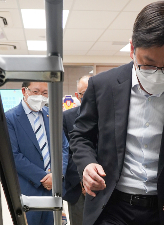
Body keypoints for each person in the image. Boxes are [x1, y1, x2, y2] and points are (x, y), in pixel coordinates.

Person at [70, 1, 164, 225]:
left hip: (163, 211)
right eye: (148, 64)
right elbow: (81, 135)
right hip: (110, 207)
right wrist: (87, 165)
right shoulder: (102, 85)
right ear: (132, 49)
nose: (157, 74)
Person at [5, 82, 69, 225]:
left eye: (45, 93)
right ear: (24, 91)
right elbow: (13, 155)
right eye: (35, 92)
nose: (40, 96)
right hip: (28, 189)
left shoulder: (51, 115)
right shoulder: (10, 118)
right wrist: (43, 177)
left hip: (54, 189)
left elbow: (63, 147)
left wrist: (57, 175)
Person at [63, 75, 91, 225]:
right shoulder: (67, 117)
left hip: (106, 184)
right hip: (78, 188)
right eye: (84, 93)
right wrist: (83, 179)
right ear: (77, 96)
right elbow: (65, 152)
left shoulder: (110, 115)